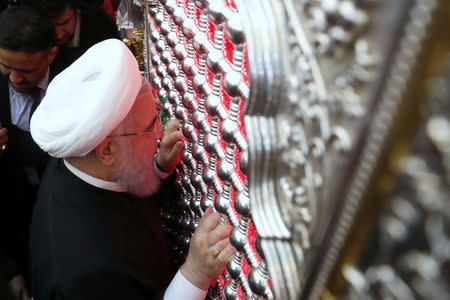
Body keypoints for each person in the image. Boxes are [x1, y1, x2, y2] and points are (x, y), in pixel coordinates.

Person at [29, 38, 235, 300]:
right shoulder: (87, 276)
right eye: (150, 126)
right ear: (107, 151)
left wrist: (157, 168)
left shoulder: (78, 160)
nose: (160, 134)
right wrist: (195, 275)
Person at [0, 6, 61, 300]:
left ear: (51, 54)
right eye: (4, 66)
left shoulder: (72, 81)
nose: (14, 78)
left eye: (25, 70)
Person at [24, 0, 119, 67]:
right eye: (51, 26)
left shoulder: (103, 30)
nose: (58, 35)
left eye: (64, 23)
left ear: (77, 11)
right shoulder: (32, 33)